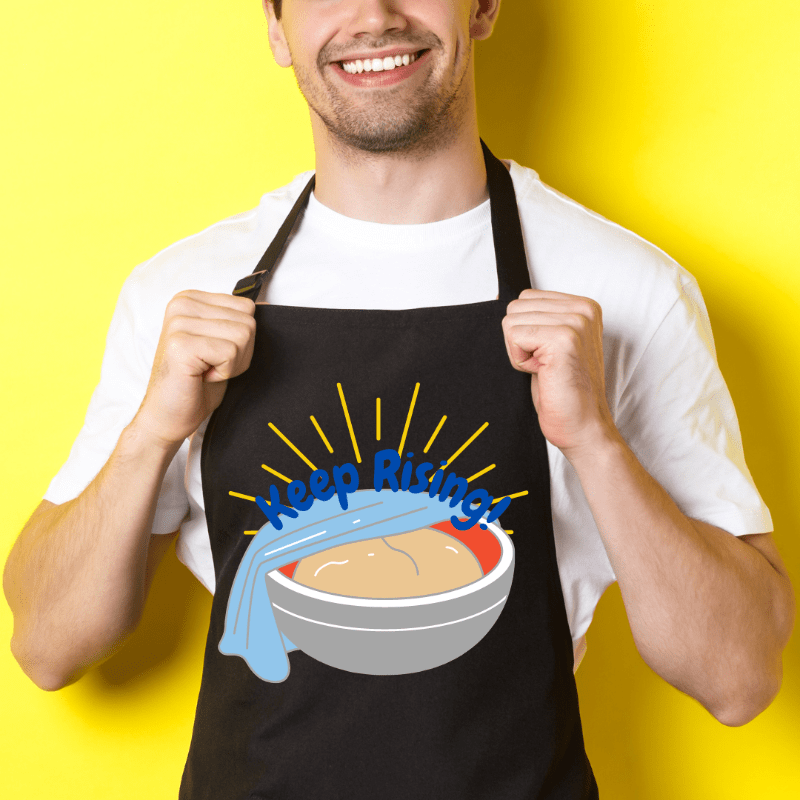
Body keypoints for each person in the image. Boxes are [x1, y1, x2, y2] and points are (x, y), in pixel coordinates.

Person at [3, 1, 794, 797]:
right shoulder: (184, 293)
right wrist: (150, 435)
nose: (373, 16)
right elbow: (48, 646)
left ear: (482, 8)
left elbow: (739, 677)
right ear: (277, 31)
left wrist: (595, 442)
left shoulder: (626, 288)